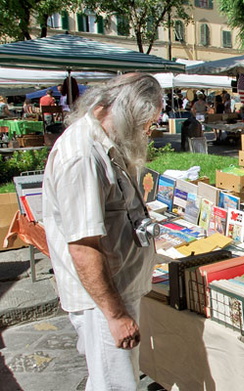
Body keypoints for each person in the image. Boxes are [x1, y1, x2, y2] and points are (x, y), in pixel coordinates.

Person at [42, 73, 163, 390]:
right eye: (145, 123)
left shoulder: (104, 141)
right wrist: (116, 315)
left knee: (109, 381)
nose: (147, 132)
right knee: (117, 384)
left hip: (116, 291)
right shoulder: (82, 156)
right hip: (103, 301)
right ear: (128, 113)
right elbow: (83, 247)